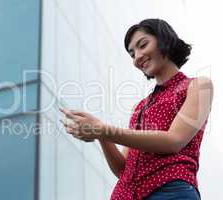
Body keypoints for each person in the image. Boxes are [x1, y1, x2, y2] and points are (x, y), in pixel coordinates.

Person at [60, 18, 213, 200]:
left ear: (165, 40)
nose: (137, 57)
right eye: (132, 54)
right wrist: (100, 134)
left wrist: (103, 129)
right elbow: (123, 170)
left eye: (143, 45)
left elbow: (174, 141)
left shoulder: (198, 86)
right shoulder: (139, 107)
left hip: (169, 191)